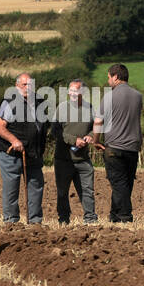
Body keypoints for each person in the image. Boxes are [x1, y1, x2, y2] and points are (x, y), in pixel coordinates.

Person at [0, 72, 47, 225]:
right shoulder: (9, 102)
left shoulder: (40, 101)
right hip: (12, 154)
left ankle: (35, 222)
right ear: (17, 86)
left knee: (36, 186)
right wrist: (14, 140)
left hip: (34, 153)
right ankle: (11, 222)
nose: (27, 88)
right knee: (12, 187)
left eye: (30, 85)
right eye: (24, 84)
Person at [94, 63, 143, 223]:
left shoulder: (109, 96)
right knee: (125, 183)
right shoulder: (138, 96)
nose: (108, 81)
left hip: (114, 146)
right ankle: (114, 216)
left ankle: (125, 217)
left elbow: (98, 121)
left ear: (116, 76)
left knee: (119, 183)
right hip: (133, 146)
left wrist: (96, 140)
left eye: (109, 77)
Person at [53, 79, 99, 225]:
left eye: (76, 91)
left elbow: (95, 128)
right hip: (63, 159)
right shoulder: (61, 108)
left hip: (83, 159)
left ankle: (90, 219)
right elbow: (55, 131)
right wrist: (74, 140)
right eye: (71, 90)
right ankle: (63, 220)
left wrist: (90, 136)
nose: (73, 93)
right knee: (62, 192)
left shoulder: (90, 108)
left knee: (87, 190)